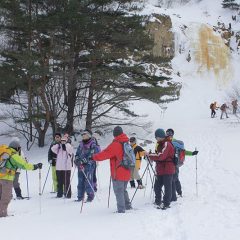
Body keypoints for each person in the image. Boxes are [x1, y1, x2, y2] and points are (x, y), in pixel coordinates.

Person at [92, 126, 132, 213]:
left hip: (118, 171)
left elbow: (105, 153)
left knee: (118, 191)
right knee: (123, 190)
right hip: (127, 170)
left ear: (115, 134)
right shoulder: (126, 142)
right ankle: (128, 205)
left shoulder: (116, 144)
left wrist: (93, 157)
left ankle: (121, 209)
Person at [0, 140, 42, 217]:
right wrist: (35, 166)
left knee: (1, 195)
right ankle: (2, 214)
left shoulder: (3, 152)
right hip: (6, 179)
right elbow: (24, 165)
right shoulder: (13, 155)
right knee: (6, 197)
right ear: (16, 148)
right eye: (18, 148)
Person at [165, 128, 198, 200]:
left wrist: (192, 153)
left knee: (171, 179)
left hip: (170, 163)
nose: (168, 134)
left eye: (169, 133)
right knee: (175, 178)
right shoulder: (177, 142)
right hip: (175, 163)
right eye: (168, 133)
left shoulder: (170, 142)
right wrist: (192, 153)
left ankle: (174, 194)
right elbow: (184, 152)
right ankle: (178, 193)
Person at [148, 128, 175, 210]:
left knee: (167, 187)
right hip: (160, 169)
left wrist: (150, 155)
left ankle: (166, 203)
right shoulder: (161, 144)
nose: (156, 139)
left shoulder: (167, 143)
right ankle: (158, 201)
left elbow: (161, 156)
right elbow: (158, 154)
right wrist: (151, 155)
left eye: (156, 137)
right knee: (157, 186)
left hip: (167, 169)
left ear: (159, 136)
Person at [74, 129, 100, 202]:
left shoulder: (92, 143)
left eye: (84, 134)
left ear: (89, 135)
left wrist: (83, 161)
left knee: (88, 180)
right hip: (81, 165)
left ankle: (90, 196)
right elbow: (77, 153)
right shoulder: (81, 144)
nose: (83, 136)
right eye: (82, 135)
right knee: (80, 181)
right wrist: (76, 159)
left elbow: (92, 155)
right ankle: (80, 197)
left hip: (89, 165)